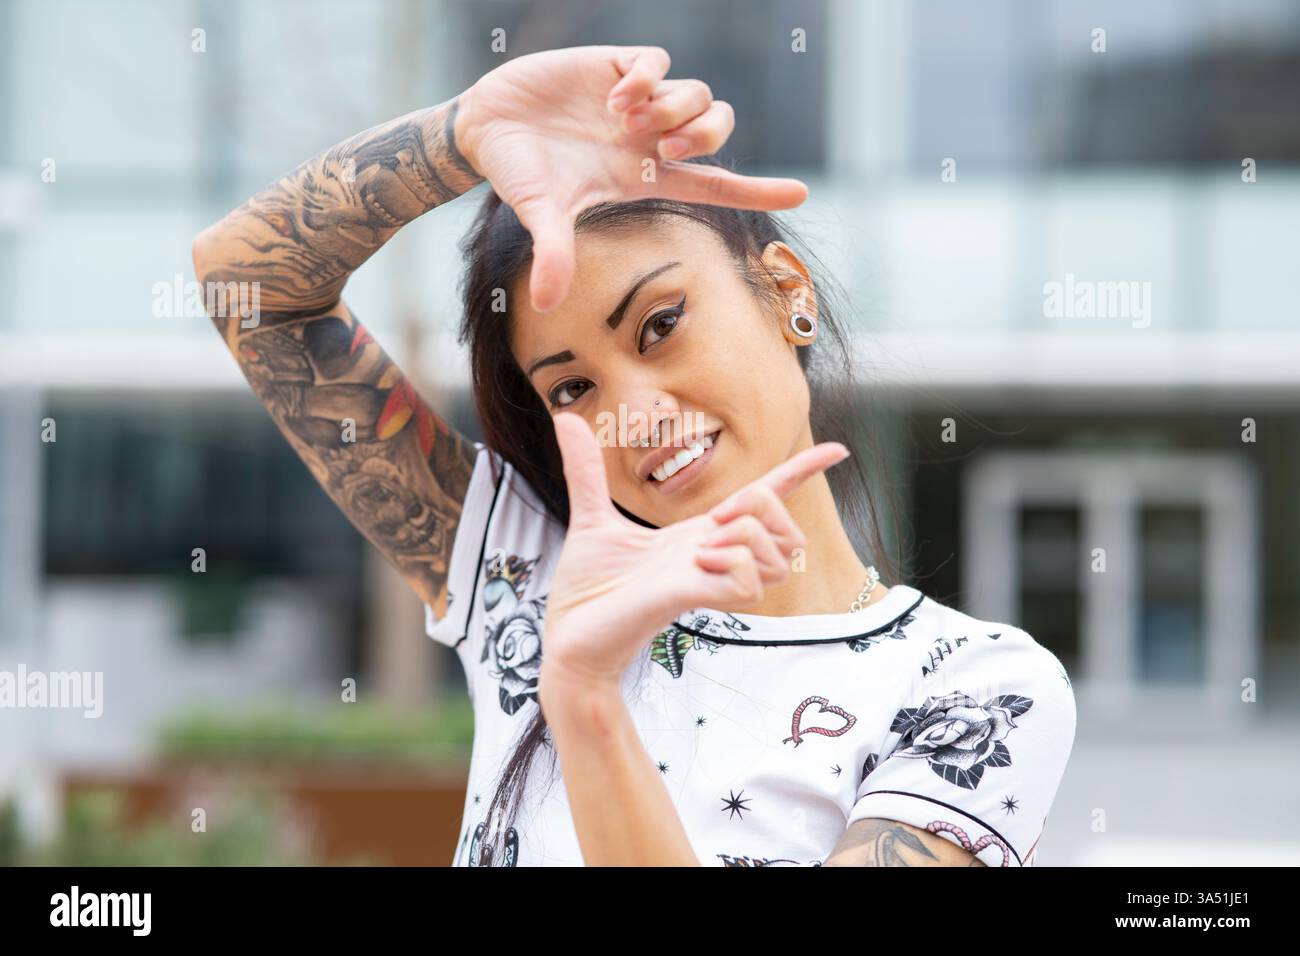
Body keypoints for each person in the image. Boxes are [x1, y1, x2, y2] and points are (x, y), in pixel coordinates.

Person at [193, 45, 1076, 867]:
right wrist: (462, 136)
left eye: (660, 325)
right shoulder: (528, 568)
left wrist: (583, 701)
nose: (636, 417)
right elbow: (251, 288)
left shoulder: (972, 688)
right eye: (573, 389)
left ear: (785, 292)